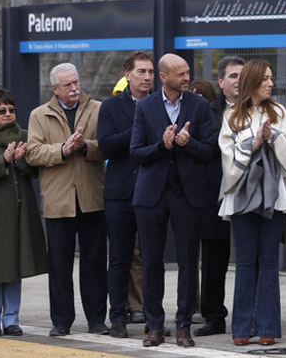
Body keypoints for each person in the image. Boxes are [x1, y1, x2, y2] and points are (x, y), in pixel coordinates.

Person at [130, 53, 216, 348]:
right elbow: (136, 152)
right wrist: (162, 145)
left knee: (188, 261)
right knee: (152, 261)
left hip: (187, 194)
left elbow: (210, 151)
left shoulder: (200, 106)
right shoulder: (144, 107)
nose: (186, 77)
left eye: (187, 72)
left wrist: (186, 143)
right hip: (152, 194)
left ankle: (184, 325)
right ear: (164, 78)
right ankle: (154, 326)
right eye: (180, 74)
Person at [219, 59, 286, 346]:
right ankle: (241, 329)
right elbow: (226, 154)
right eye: (265, 79)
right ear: (252, 82)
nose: (270, 83)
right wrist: (252, 143)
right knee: (243, 262)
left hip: (274, 196)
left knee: (268, 262)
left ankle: (267, 327)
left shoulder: (278, 111)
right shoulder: (231, 115)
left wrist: (272, 137)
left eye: (270, 78)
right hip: (242, 196)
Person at [27, 62, 108, 337]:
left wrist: (84, 146)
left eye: (76, 82)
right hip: (58, 201)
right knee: (59, 265)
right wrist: (63, 149)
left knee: (95, 263)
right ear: (55, 89)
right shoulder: (39, 115)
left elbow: (107, 146)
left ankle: (97, 319)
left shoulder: (97, 109)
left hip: (91, 198)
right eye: (67, 85)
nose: (74, 88)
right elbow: (33, 153)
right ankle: (61, 321)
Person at [98, 51, 155, 339]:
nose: (147, 77)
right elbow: (106, 145)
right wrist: (139, 128)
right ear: (127, 75)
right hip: (120, 193)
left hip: (152, 192)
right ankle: (118, 317)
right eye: (141, 72)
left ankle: (153, 319)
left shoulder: (161, 104)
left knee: (151, 258)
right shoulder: (110, 107)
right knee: (119, 258)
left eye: (151, 72)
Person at [194, 55, 245, 338]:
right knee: (214, 260)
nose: (238, 81)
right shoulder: (207, 111)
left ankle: (252, 315)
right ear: (221, 82)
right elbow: (206, 146)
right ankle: (213, 317)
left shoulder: (259, 108)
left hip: (251, 193)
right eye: (233, 76)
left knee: (253, 257)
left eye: (242, 75)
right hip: (215, 194)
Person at [0, 88, 48, 337]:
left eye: (12, 110)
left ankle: (12, 318)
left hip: (20, 212)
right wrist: (3, 160)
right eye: (1, 110)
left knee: (16, 264)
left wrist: (20, 161)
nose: (8, 114)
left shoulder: (26, 136)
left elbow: (37, 170)